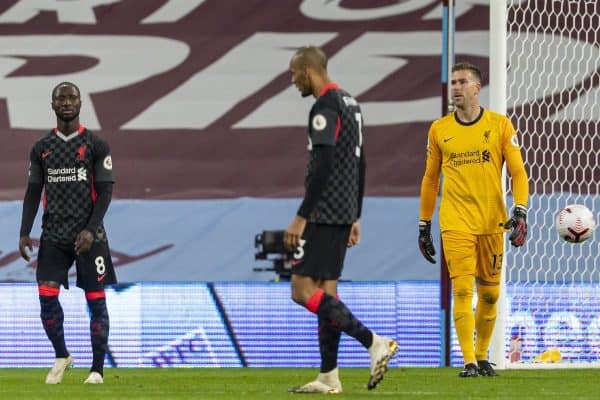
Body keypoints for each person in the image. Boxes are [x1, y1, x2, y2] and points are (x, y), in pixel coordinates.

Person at [284, 46, 398, 394]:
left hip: (324, 211)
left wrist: (301, 218)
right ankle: (329, 377)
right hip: (343, 210)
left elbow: (323, 165)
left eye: (293, 74)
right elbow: (361, 163)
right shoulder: (351, 103)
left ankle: (373, 341)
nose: (292, 82)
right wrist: (356, 215)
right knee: (326, 293)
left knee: (301, 291)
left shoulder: (325, 107)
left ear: (307, 72)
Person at [417, 62, 529, 377]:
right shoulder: (439, 129)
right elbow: (430, 179)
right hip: (455, 222)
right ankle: (468, 361)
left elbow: (518, 172)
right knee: (463, 291)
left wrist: (520, 209)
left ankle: (482, 356)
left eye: (462, 81)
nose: (455, 87)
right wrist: (424, 225)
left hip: (493, 220)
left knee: (491, 293)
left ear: (477, 88)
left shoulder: (500, 125)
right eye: (452, 82)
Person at [18, 82, 116, 385]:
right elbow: (34, 192)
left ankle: (97, 369)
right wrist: (25, 232)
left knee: (96, 300)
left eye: (71, 97)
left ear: (80, 103)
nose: (66, 103)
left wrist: (90, 229)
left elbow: (106, 192)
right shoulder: (42, 148)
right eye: (60, 98)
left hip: (90, 238)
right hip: (53, 235)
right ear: (52, 105)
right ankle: (62, 355)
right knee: (46, 297)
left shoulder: (97, 145)